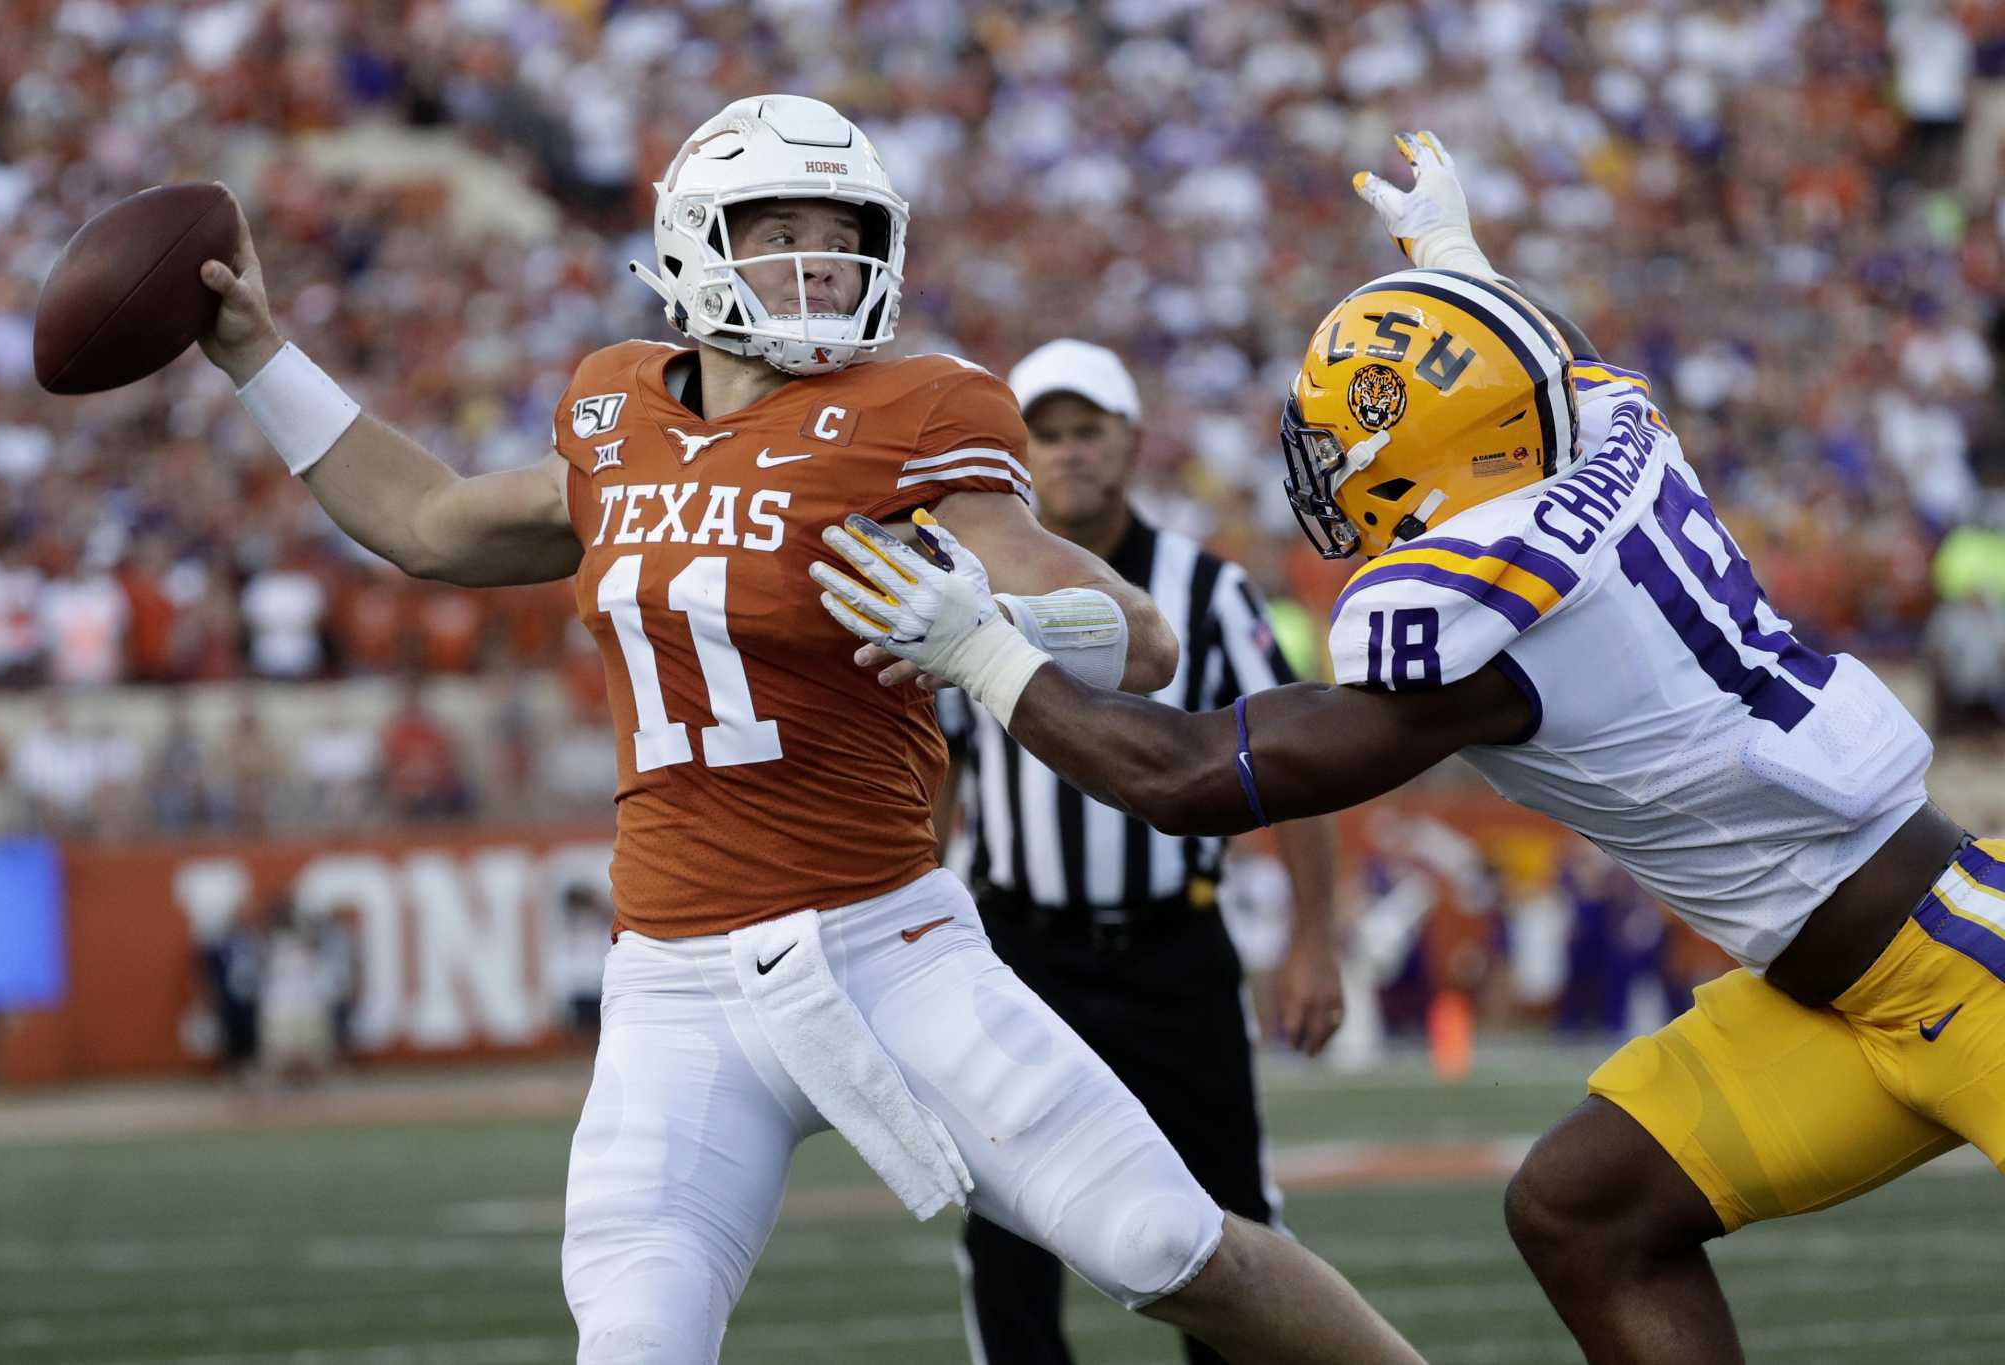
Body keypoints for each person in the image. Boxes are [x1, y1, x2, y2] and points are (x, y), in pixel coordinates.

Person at [187, 94, 1417, 1365]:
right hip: (670, 976)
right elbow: (430, 523)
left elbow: (1140, 640)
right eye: (778, 229)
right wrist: (257, 357)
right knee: (634, 1340)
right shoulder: (616, 414)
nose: (819, 263)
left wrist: (984, 618)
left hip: (887, 944)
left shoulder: (918, 410)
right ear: (689, 244)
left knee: (1166, 1248)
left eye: (845, 233)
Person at [815, 131, 1998, 1365]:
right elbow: (1547, 357)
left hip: (1966, 966)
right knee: (1580, 1209)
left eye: (1342, 450)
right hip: (1837, 994)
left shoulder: (1483, 624)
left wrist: (982, 652)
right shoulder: (1603, 431)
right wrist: (1450, 259)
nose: (1326, 477)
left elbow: (1181, 777)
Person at [936, 338, 1346, 1365]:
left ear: (1130, 443)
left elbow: (1284, 762)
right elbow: (929, 775)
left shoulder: (1205, 591)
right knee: (1005, 1229)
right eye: (1048, 434)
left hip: (1176, 950)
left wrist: (1312, 941)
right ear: (1017, 453)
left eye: (1089, 431)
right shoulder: (958, 586)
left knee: (1225, 1220)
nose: (1069, 454)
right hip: (1020, 952)